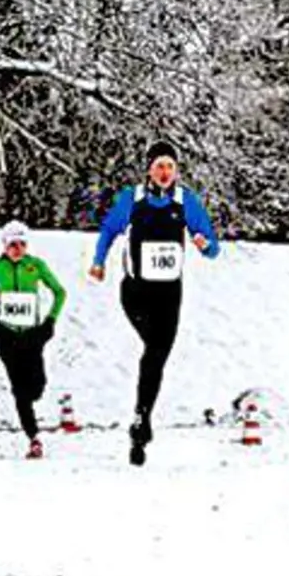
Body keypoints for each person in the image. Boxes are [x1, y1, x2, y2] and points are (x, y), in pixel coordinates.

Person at [89, 140, 221, 466]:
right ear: (149, 168)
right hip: (135, 292)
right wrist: (99, 261)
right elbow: (108, 230)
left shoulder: (185, 201)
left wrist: (205, 244)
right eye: (159, 165)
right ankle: (141, 419)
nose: (165, 172)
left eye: (170, 167)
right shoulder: (131, 199)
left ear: (176, 171)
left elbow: (213, 246)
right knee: (154, 352)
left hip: (169, 294)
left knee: (156, 356)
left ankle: (141, 420)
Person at [0, 221, 68, 459]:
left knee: (37, 387)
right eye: (12, 244)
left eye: (21, 244)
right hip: (7, 335)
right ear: (4, 245)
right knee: (19, 392)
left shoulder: (36, 266)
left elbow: (60, 292)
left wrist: (50, 320)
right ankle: (34, 438)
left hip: (33, 334)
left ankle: (30, 400)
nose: (17, 249)